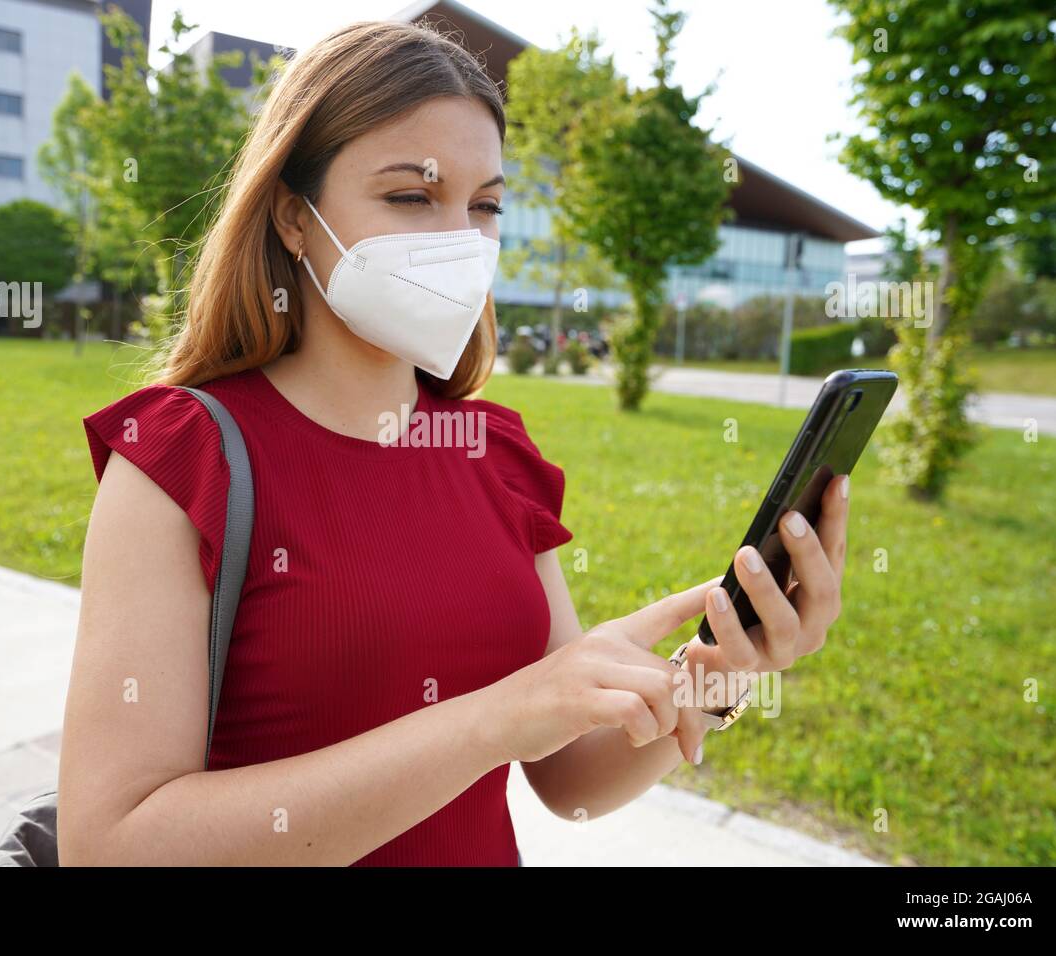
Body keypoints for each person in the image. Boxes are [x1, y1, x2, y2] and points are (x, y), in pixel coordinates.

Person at [57, 19, 850, 867]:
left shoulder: (494, 453)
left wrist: (718, 673)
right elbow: (111, 848)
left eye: (485, 206)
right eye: (410, 197)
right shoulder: (183, 458)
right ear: (293, 216)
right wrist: (494, 717)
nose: (460, 243)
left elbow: (569, 781)